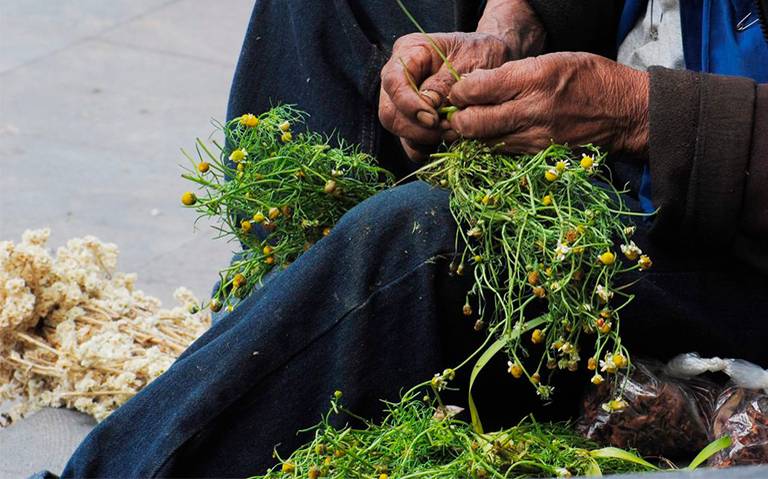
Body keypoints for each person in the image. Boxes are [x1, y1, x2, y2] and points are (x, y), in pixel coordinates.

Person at [60, 1, 768, 476]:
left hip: (730, 244)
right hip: (628, 143)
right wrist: (516, 24)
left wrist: (635, 111)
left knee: (427, 235)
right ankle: (284, 319)